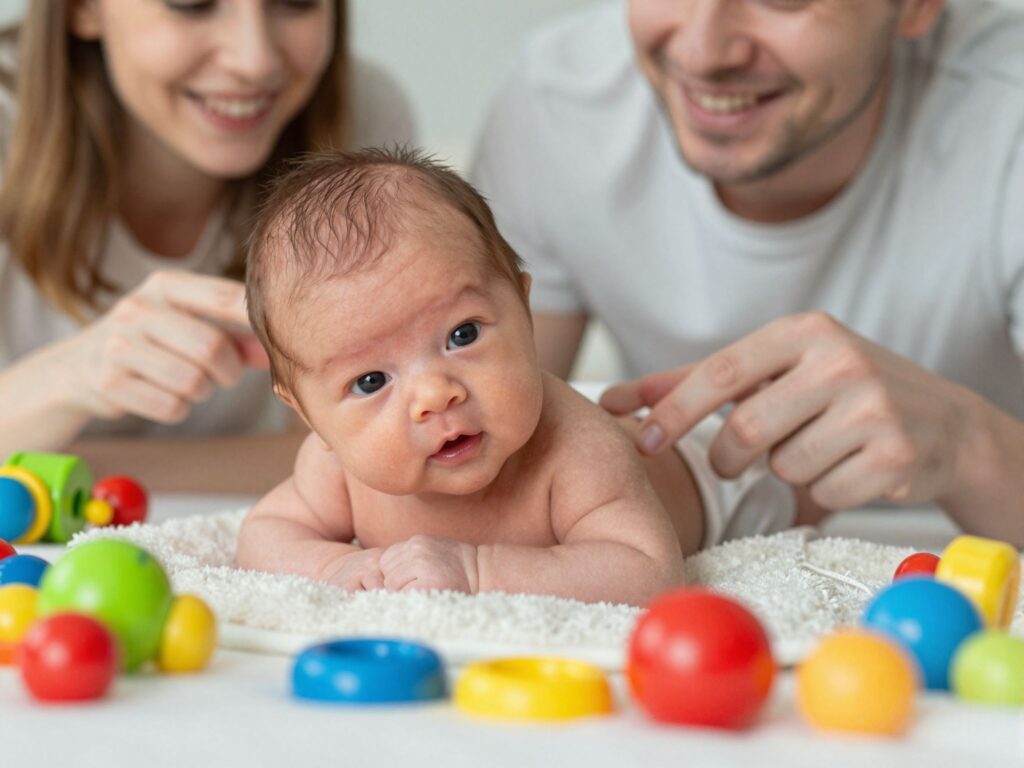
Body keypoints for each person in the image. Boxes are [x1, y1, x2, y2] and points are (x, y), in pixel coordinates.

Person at [471, 0, 1024, 547]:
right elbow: (487, 466)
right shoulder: (555, 102)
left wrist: (962, 444)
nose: (702, 51)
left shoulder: (1008, 109)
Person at [235, 147, 688, 604]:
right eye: (371, 382)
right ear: (310, 416)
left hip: (695, 459)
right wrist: (334, 566)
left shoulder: (577, 445)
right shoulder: (334, 468)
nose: (434, 395)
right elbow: (266, 533)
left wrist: (476, 571)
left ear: (523, 309)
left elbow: (649, 571)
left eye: (462, 334)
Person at [0, 1, 414, 492]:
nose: (254, 60)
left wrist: (63, 471)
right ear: (82, 8)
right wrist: (68, 378)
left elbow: (356, 455)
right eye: (192, 4)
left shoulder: (360, 122)